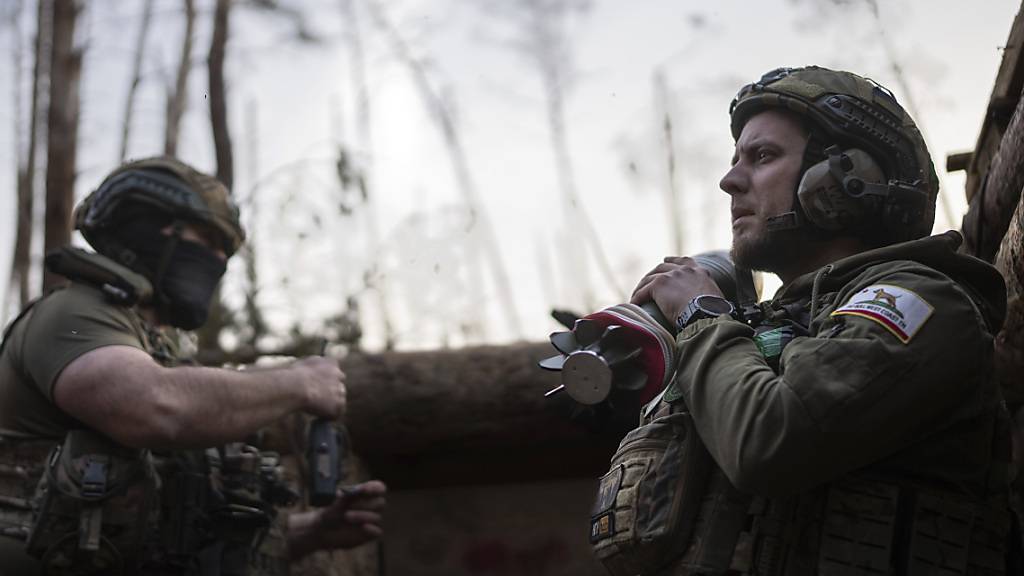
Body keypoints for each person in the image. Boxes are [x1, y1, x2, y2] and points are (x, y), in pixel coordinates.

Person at [616, 66, 1010, 575]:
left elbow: (769, 441)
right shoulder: (757, 330)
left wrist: (700, 313)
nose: (729, 180)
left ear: (849, 178)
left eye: (762, 156)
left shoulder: (922, 301)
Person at [0, 157, 386, 575]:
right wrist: (300, 383)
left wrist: (313, 532)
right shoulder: (74, 313)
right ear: (145, 225)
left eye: (227, 250)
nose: (219, 259)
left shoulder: (158, 352)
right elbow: (155, 407)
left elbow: (173, 533)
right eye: (208, 237)